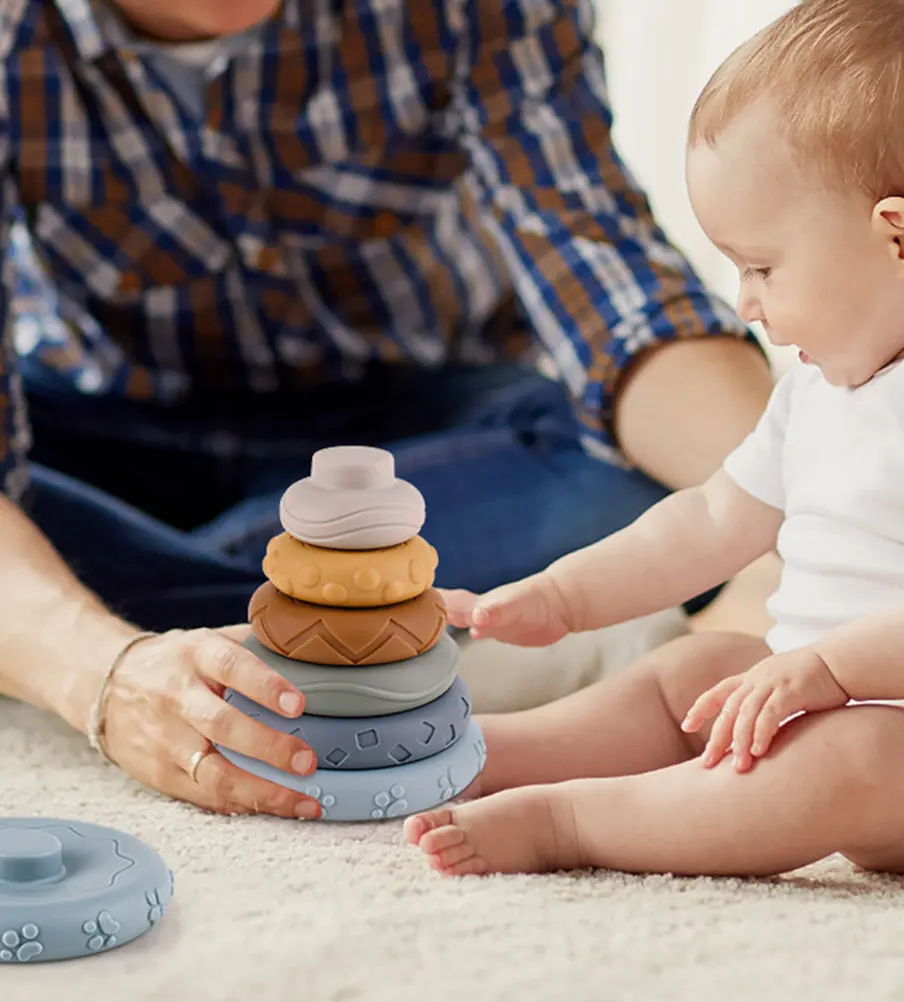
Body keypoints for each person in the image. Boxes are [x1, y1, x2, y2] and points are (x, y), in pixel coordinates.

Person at [0, 1, 773, 821]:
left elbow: (617, 294)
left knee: (645, 485)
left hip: (422, 427)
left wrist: (801, 493)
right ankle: (408, 645)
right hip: (95, 428)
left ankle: (158, 621)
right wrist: (101, 675)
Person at [403, 0, 904, 878]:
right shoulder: (827, 379)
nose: (745, 303)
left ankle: (575, 823)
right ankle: (495, 752)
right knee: (697, 672)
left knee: (851, 759)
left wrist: (831, 673)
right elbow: (713, 520)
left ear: (903, 239)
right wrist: (565, 597)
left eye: (762, 267)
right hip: (815, 682)